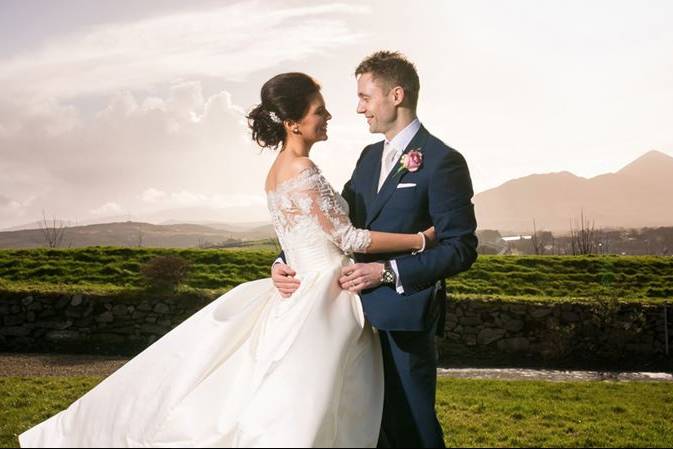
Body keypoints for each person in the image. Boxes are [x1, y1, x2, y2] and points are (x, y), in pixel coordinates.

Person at [18, 71, 436, 448]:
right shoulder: (303, 168)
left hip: (303, 283)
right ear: (293, 123)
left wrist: (278, 263)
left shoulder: (276, 171)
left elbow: (297, 237)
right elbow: (348, 236)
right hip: (323, 293)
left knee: (294, 391)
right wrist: (421, 238)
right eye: (319, 111)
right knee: (307, 397)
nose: (328, 117)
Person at [272, 51, 478, 448]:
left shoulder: (442, 162)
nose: (358, 107)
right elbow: (333, 227)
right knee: (362, 428)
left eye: (365, 97)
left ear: (395, 95)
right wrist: (285, 260)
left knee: (411, 428)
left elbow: (461, 248)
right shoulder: (368, 158)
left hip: (402, 318)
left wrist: (388, 272)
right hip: (344, 318)